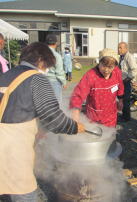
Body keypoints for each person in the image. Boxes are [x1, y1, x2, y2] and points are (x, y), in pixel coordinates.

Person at [0, 42, 85, 202]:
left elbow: (16, 107)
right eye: (47, 65)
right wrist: (74, 127)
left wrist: (39, 129)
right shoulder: (37, 79)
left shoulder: (7, 75)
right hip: (12, 148)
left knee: (5, 189)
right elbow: (53, 117)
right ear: (40, 60)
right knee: (24, 194)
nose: (46, 70)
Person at [70, 48, 124, 127]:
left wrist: (121, 100)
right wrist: (75, 112)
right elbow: (78, 93)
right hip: (94, 117)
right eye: (103, 66)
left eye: (110, 67)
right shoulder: (91, 75)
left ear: (115, 66)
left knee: (109, 136)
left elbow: (120, 86)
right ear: (99, 62)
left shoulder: (117, 72)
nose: (106, 70)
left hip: (111, 116)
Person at [118, 42, 137, 122]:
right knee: (122, 98)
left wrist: (128, 78)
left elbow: (135, 69)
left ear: (126, 48)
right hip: (122, 81)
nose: (119, 49)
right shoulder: (122, 57)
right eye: (118, 47)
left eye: (121, 48)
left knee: (126, 100)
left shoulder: (129, 56)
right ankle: (124, 115)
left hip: (127, 82)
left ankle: (126, 118)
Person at [45, 34, 66, 104]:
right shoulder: (56, 56)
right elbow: (59, 72)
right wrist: (64, 82)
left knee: (45, 103)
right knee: (56, 103)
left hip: (42, 81)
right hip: (54, 82)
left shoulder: (40, 54)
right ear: (56, 43)